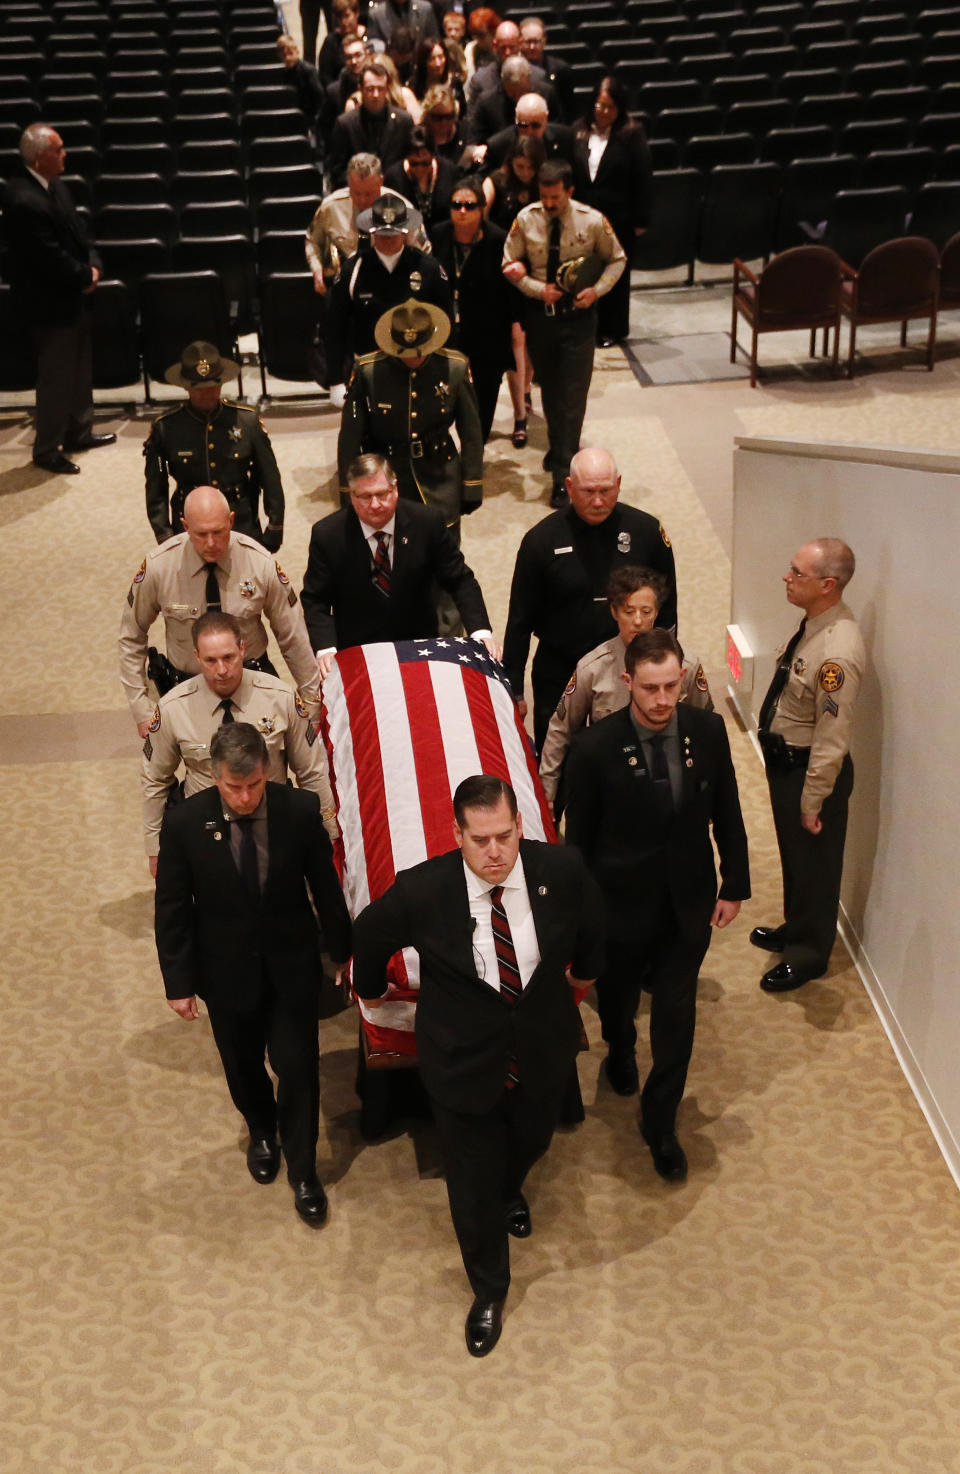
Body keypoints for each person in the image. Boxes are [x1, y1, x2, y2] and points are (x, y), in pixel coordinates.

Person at [351, 774, 604, 1355]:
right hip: (461, 1061)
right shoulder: (425, 890)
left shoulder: (560, 872)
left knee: (532, 1139)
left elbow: (593, 929)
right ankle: (489, 1287)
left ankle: (510, 1187)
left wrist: (583, 978)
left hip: (541, 1050)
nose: (495, 852)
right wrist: (369, 990)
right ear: (457, 835)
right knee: (469, 1182)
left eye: (505, 836)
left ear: (520, 827)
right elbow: (368, 934)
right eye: (480, 839)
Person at [565, 631, 750, 1180]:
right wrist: (581, 914)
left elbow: (729, 810)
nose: (664, 699)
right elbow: (580, 843)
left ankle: (661, 1121)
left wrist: (734, 883)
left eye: (672, 685)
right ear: (628, 683)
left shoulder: (707, 730)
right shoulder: (594, 749)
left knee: (677, 1015)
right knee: (618, 1004)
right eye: (651, 688)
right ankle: (619, 1050)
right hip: (619, 906)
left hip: (685, 902)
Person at [154, 723, 352, 1228]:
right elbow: (173, 909)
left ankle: (305, 1172)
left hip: (290, 967)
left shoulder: (298, 811)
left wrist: (344, 951)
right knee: (242, 1066)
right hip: (224, 973)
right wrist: (178, 983)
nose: (244, 798)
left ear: (266, 773)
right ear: (214, 778)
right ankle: (263, 1130)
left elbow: (325, 886)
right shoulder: (183, 825)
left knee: (299, 1066)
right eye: (233, 787)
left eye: (254, 786)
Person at [502, 446, 677, 751]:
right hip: (560, 666)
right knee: (555, 751)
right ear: (569, 486)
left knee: (630, 750)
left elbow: (667, 612)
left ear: (619, 484)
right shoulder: (540, 541)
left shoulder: (647, 532)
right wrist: (514, 688)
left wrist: (664, 666)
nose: (598, 501)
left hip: (629, 665)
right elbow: (519, 620)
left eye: (606, 490)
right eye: (588, 491)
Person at [142, 612, 339, 872]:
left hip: (273, 826)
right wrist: (155, 850)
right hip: (204, 831)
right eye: (211, 660)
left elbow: (311, 771)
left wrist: (328, 832)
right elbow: (155, 781)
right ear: (196, 656)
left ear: (242, 649)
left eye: (228, 657)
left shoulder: (280, 698)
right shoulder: (172, 709)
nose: (221, 670)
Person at [753, 538, 865, 993]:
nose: (787, 577)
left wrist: (813, 799)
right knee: (796, 858)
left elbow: (832, 738)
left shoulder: (838, 650)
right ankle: (795, 926)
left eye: (797, 573)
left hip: (810, 773)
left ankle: (808, 954)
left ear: (828, 584)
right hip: (788, 766)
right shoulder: (815, 625)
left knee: (815, 867)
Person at [119, 486, 321, 736]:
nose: (211, 543)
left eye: (219, 531)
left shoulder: (259, 563)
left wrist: (311, 703)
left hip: (253, 684)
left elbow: (293, 638)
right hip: (187, 688)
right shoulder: (160, 568)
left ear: (232, 521)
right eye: (201, 534)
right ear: (185, 526)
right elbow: (131, 636)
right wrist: (142, 709)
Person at [502, 160, 625, 506]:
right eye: (544, 197)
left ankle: (562, 475)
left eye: (556, 197)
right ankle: (561, 445)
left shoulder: (591, 220)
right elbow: (508, 261)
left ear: (569, 192)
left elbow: (617, 259)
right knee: (552, 392)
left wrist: (597, 291)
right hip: (541, 318)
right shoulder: (527, 219)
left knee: (573, 397)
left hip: (579, 320)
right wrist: (536, 288)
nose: (550, 204)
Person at [301, 452, 496, 671]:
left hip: (418, 644)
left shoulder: (427, 522)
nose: (375, 504)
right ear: (352, 496)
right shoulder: (328, 535)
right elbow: (315, 599)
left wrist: (480, 632)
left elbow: (460, 580)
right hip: (358, 650)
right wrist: (326, 648)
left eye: (382, 494)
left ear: (395, 489)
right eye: (365, 497)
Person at [540, 566, 712, 813]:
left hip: (669, 777)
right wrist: (548, 788)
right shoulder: (593, 668)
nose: (638, 621)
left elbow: (705, 728)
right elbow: (561, 729)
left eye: (646, 611)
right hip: (610, 783)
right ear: (614, 612)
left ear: (657, 613)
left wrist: (706, 788)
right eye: (629, 612)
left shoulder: (685, 665)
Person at [2, 124, 115, 476]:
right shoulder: (22, 199)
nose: (65, 155)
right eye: (59, 149)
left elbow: (79, 234)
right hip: (48, 306)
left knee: (79, 371)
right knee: (55, 378)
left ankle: (78, 433)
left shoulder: (55, 186)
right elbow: (46, 257)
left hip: (72, 298)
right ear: (40, 156)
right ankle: (47, 449)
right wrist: (85, 277)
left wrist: (92, 265)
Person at [338, 299, 483, 535]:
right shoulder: (368, 371)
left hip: (440, 473)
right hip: (386, 477)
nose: (413, 358)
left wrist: (472, 483)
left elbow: (472, 432)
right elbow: (349, 439)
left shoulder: (454, 367)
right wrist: (348, 490)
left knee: (443, 546)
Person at [143, 342, 284, 549]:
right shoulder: (167, 428)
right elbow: (156, 487)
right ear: (185, 386)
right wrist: (164, 535)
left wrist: (275, 524)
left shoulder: (246, 421)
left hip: (240, 520)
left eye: (212, 387)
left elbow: (269, 475)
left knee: (246, 580)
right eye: (198, 389)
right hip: (190, 523)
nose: (206, 393)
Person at [324, 191, 453, 403]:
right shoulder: (353, 270)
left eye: (394, 233)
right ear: (372, 232)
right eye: (383, 234)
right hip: (369, 371)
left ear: (405, 232)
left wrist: (447, 372)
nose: (389, 240)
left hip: (417, 370)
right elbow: (335, 327)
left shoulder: (428, 268)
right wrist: (336, 380)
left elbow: (445, 322)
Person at [431, 176, 520, 442]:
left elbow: (508, 294)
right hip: (447, 331)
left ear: (482, 209)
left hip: (487, 333)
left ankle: (475, 451)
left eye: (469, 206)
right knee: (444, 398)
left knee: (484, 397)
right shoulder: (438, 234)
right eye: (456, 204)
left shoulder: (498, 240)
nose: (462, 211)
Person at [572, 74, 652, 347]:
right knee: (586, 271)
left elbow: (642, 178)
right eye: (600, 105)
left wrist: (641, 219)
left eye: (610, 107)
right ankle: (587, 325)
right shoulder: (578, 131)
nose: (604, 111)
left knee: (614, 273)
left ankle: (612, 328)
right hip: (583, 216)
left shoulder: (631, 134)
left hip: (618, 216)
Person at [326, 60, 416, 189]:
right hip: (358, 196)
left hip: (395, 194)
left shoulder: (404, 121)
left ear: (387, 89)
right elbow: (337, 172)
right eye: (370, 89)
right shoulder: (345, 124)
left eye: (380, 89)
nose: (375, 95)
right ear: (360, 89)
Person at [466, 54, 554, 147]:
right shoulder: (486, 102)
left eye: (522, 91)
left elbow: (554, 129)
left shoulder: (547, 93)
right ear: (503, 83)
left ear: (529, 79)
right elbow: (475, 139)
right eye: (512, 94)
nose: (518, 98)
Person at [383, 127, 457, 236]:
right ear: (406, 158)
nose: (420, 169)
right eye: (414, 164)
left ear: (433, 156)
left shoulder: (449, 171)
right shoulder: (393, 177)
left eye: (425, 163)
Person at [481, 91, 575, 173]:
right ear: (516, 120)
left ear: (545, 119)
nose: (529, 132)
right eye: (523, 125)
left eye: (536, 126)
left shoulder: (565, 138)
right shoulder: (498, 146)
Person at [519, 16, 574, 123]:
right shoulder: (512, 69)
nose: (532, 47)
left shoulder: (561, 69)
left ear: (544, 41)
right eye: (528, 42)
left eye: (536, 41)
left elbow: (568, 110)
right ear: (520, 41)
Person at [276, 33, 323, 133]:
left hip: (308, 117)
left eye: (290, 53)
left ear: (297, 52)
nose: (287, 58)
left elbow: (319, 97)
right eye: (284, 55)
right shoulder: (281, 73)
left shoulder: (309, 71)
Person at [420, 84, 465, 165]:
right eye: (438, 118)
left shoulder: (464, 132)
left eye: (449, 117)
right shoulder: (419, 137)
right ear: (427, 115)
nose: (444, 123)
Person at [367, 0, 438, 50]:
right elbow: (374, 46)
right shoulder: (375, 14)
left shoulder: (425, 9)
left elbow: (434, 39)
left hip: (421, 64)